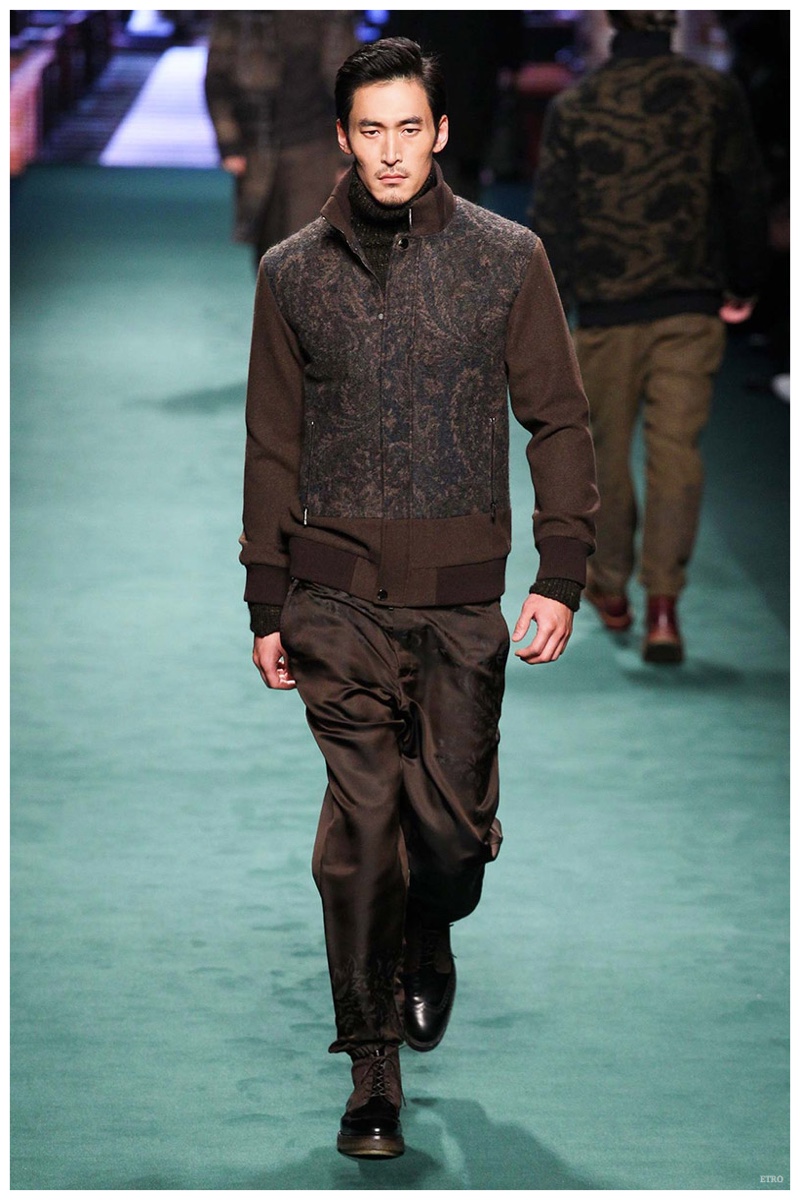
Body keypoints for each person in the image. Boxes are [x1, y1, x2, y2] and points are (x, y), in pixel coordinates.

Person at [240, 37, 598, 1159]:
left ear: (439, 131)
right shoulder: (292, 272)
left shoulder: (506, 257)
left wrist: (561, 572)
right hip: (334, 596)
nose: (391, 151)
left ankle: (429, 930)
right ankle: (371, 1072)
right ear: (344, 140)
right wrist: (266, 599)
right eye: (370, 130)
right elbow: (271, 445)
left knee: (445, 842)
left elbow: (559, 418)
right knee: (359, 834)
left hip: (458, 605)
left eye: (410, 128)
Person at [530, 10, 769, 663]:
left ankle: (611, 589)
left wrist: (551, 313)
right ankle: (664, 605)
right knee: (676, 452)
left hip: (607, 311)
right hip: (692, 303)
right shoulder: (714, 93)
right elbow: (743, 191)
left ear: (610, 22)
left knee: (604, 454)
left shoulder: (578, 105)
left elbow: (554, 218)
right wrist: (745, 281)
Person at [204, 11, 357, 269]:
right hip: (257, 146)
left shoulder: (332, 14)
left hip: (316, 144)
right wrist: (229, 143)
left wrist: (347, 156)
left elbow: (352, 87)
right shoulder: (238, 15)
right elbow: (217, 81)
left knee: (309, 246)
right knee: (268, 249)